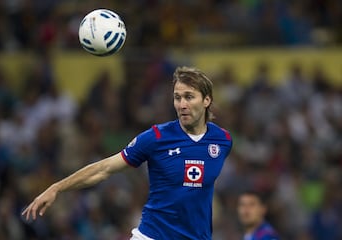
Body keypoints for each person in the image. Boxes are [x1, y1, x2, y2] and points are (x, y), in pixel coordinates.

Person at [22, 66, 233, 240]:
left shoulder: (222, 141)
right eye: (177, 97)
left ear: (207, 100)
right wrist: (57, 188)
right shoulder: (156, 137)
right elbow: (104, 169)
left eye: (189, 97)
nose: (182, 105)